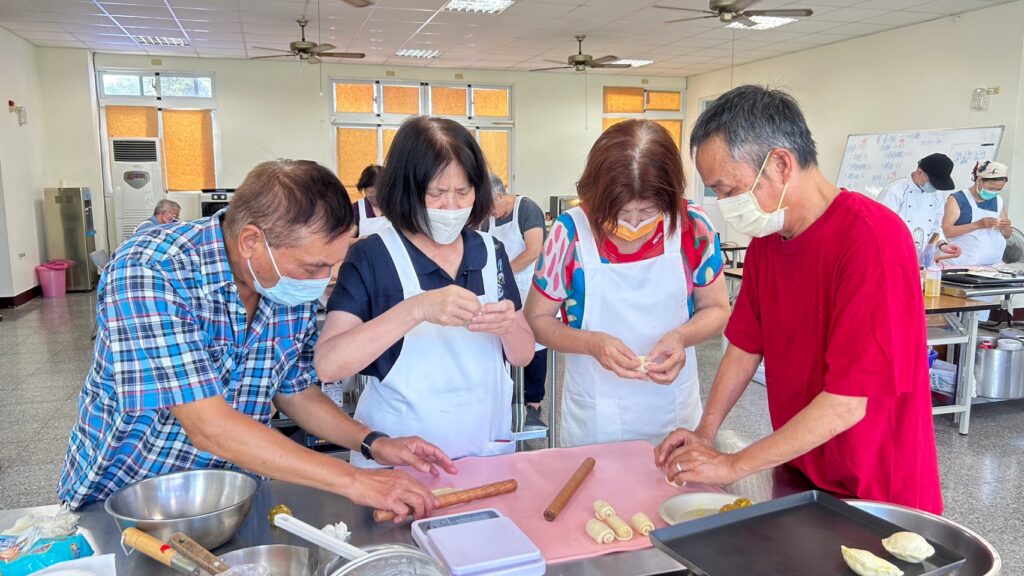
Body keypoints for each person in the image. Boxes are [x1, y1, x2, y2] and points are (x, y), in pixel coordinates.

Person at [59, 160, 455, 520]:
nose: (324, 279)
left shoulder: (282, 285)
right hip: (130, 500)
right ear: (251, 241)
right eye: (315, 265)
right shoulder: (151, 271)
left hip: (234, 497)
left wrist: (373, 442)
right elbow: (209, 426)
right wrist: (354, 480)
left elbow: (295, 391)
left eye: (332, 264)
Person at [655, 85, 942, 514]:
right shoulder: (769, 243)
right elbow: (745, 346)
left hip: (877, 489)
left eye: (729, 190)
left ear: (781, 164)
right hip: (802, 472)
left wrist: (732, 465)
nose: (725, 206)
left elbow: (846, 403)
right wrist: (707, 432)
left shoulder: (871, 239)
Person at [315, 117, 535, 468]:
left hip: (484, 453)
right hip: (401, 462)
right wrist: (416, 310)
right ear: (407, 190)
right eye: (437, 193)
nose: (451, 207)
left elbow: (522, 355)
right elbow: (328, 365)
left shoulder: (490, 252)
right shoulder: (373, 255)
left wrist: (507, 324)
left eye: (463, 192)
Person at [525, 120, 730, 447]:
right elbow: (537, 320)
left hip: (673, 410)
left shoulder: (693, 226)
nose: (633, 224)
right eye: (619, 213)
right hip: (597, 415)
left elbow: (717, 308)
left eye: (647, 211)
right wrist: (592, 343)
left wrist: (681, 336)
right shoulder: (569, 234)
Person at [479, 174, 548, 418]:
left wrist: (503, 273)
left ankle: (533, 399)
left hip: (531, 285)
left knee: (536, 342)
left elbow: (533, 250)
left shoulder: (526, 208)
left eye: (490, 206)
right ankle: (509, 394)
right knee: (508, 339)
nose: (490, 213)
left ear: (499, 195)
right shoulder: (490, 219)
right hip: (505, 289)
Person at [878, 153, 962, 261]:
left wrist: (942, 244)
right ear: (919, 172)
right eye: (933, 183)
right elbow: (881, 226)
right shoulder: (895, 191)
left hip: (919, 260)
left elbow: (935, 227)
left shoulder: (936, 196)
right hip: (892, 255)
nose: (935, 188)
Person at [941, 160, 1011, 267]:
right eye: (991, 188)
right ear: (979, 180)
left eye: (998, 189)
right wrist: (978, 225)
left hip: (992, 267)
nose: (993, 192)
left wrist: (1006, 227)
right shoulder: (958, 199)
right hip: (960, 266)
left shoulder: (998, 200)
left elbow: (1007, 234)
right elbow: (945, 231)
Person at [352, 164, 389, 238]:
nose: (375, 196)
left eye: (380, 192)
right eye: (371, 192)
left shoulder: (395, 207)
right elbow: (346, 240)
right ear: (364, 189)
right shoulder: (357, 209)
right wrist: (360, 241)